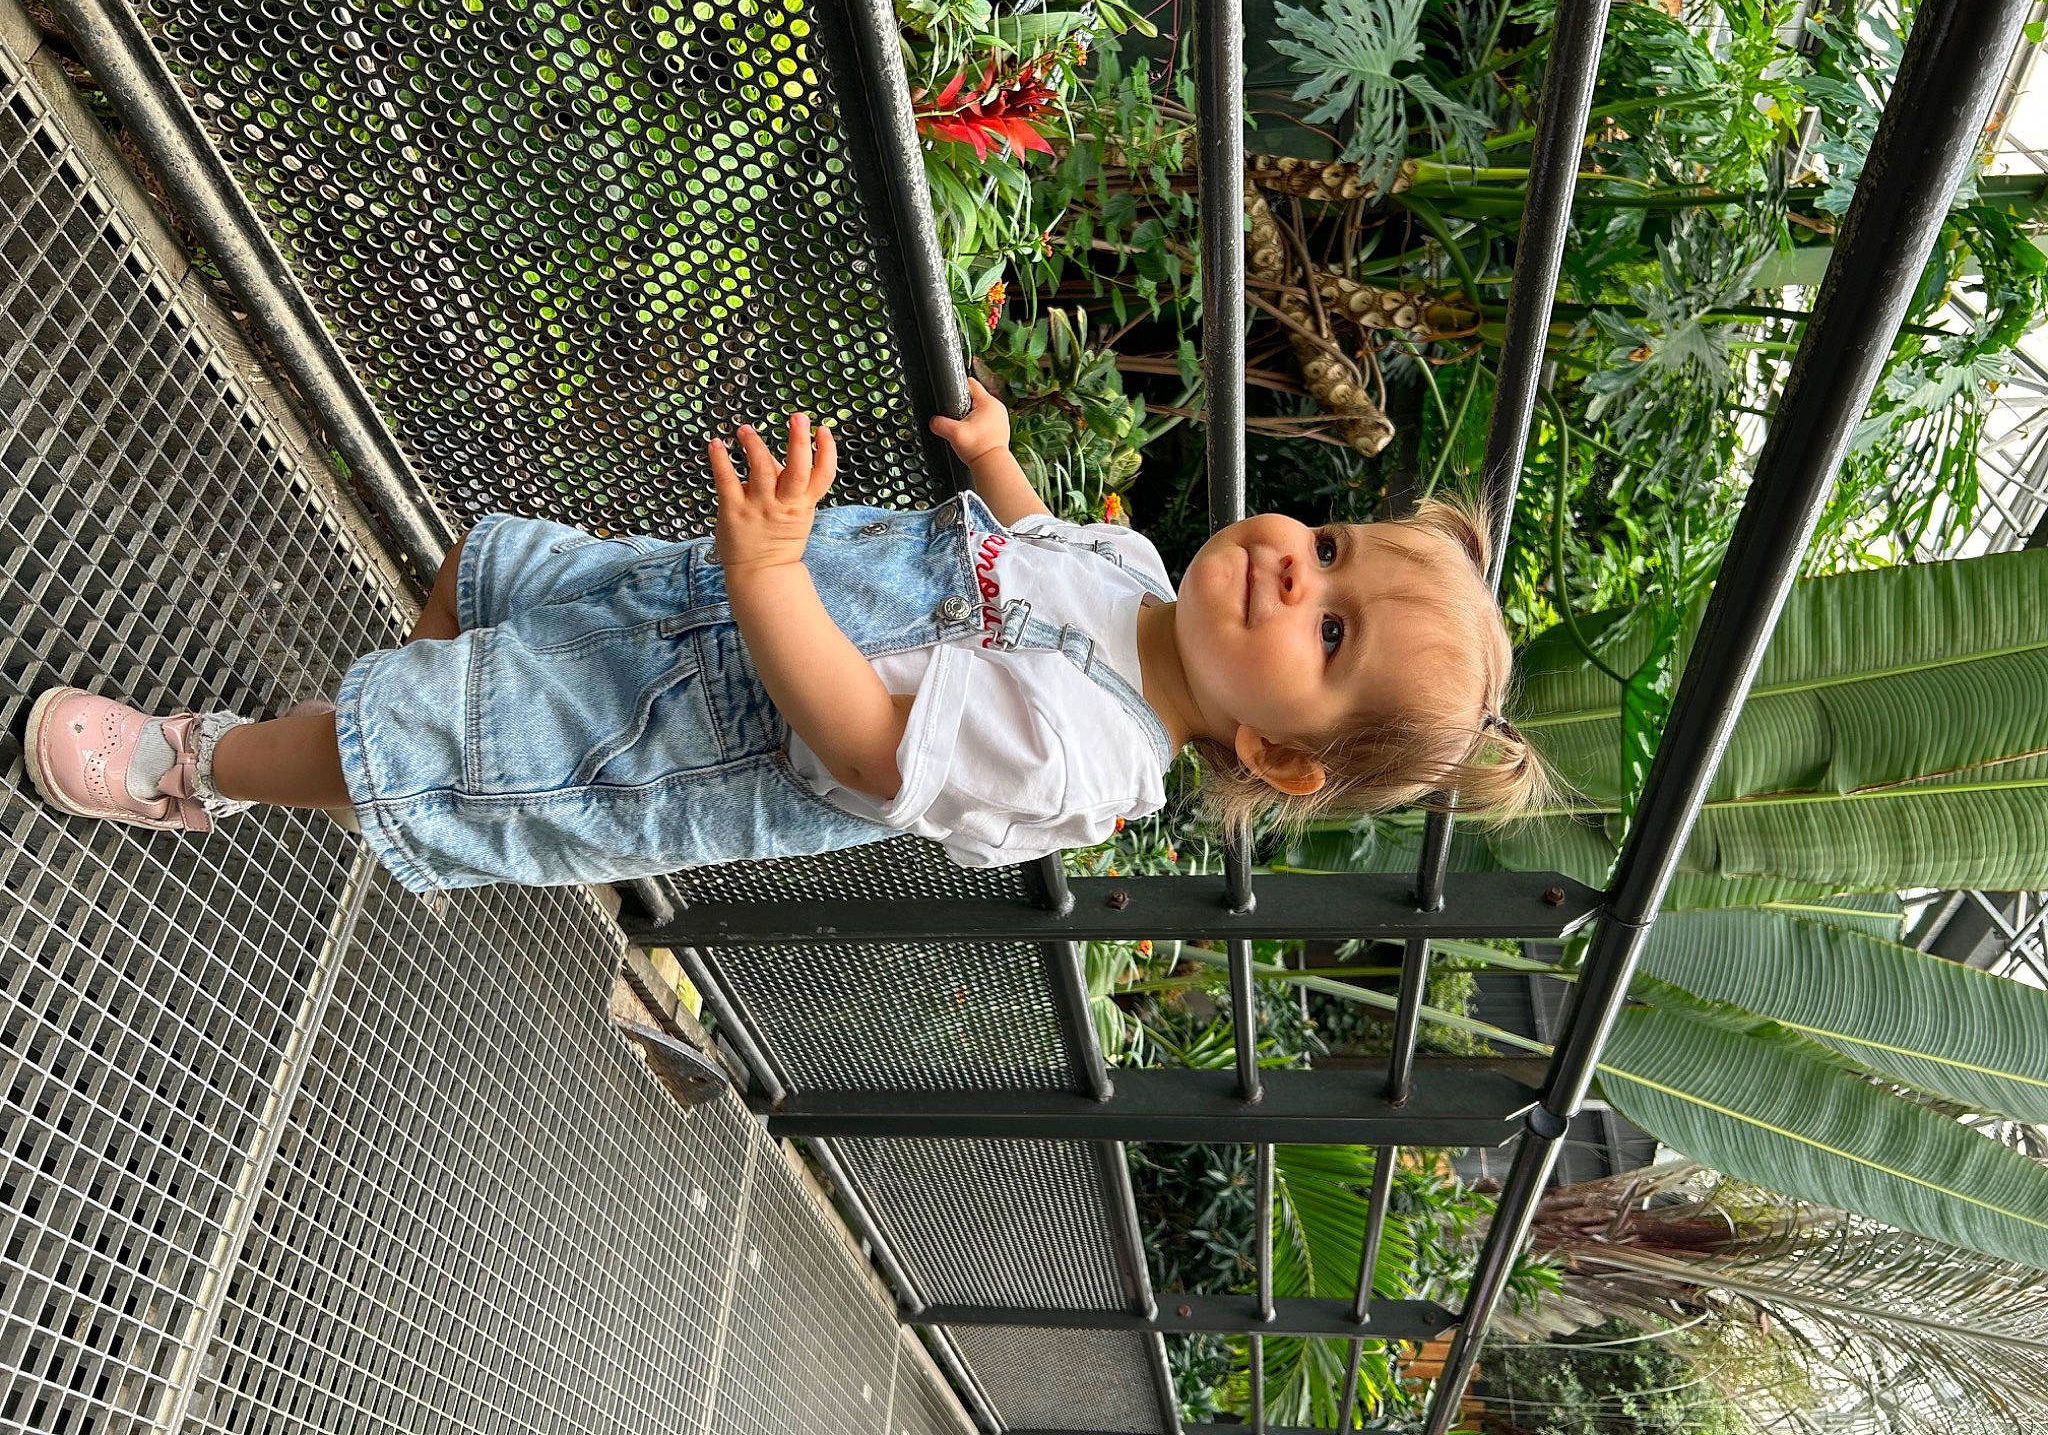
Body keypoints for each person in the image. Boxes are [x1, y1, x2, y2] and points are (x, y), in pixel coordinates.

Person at [27, 383, 1545, 891]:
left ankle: (202, 766)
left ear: (1274, 752)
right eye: (1330, 544)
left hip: (687, 734)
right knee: (490, 575)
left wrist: (769, 577)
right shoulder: (1138, 567)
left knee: (436, 747)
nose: (1291, 568)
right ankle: (390, 728)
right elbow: (1033, 539)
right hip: (684, 601)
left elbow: (866, 740)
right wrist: (997, 454)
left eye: (1331, 627)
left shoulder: (1090, 756)